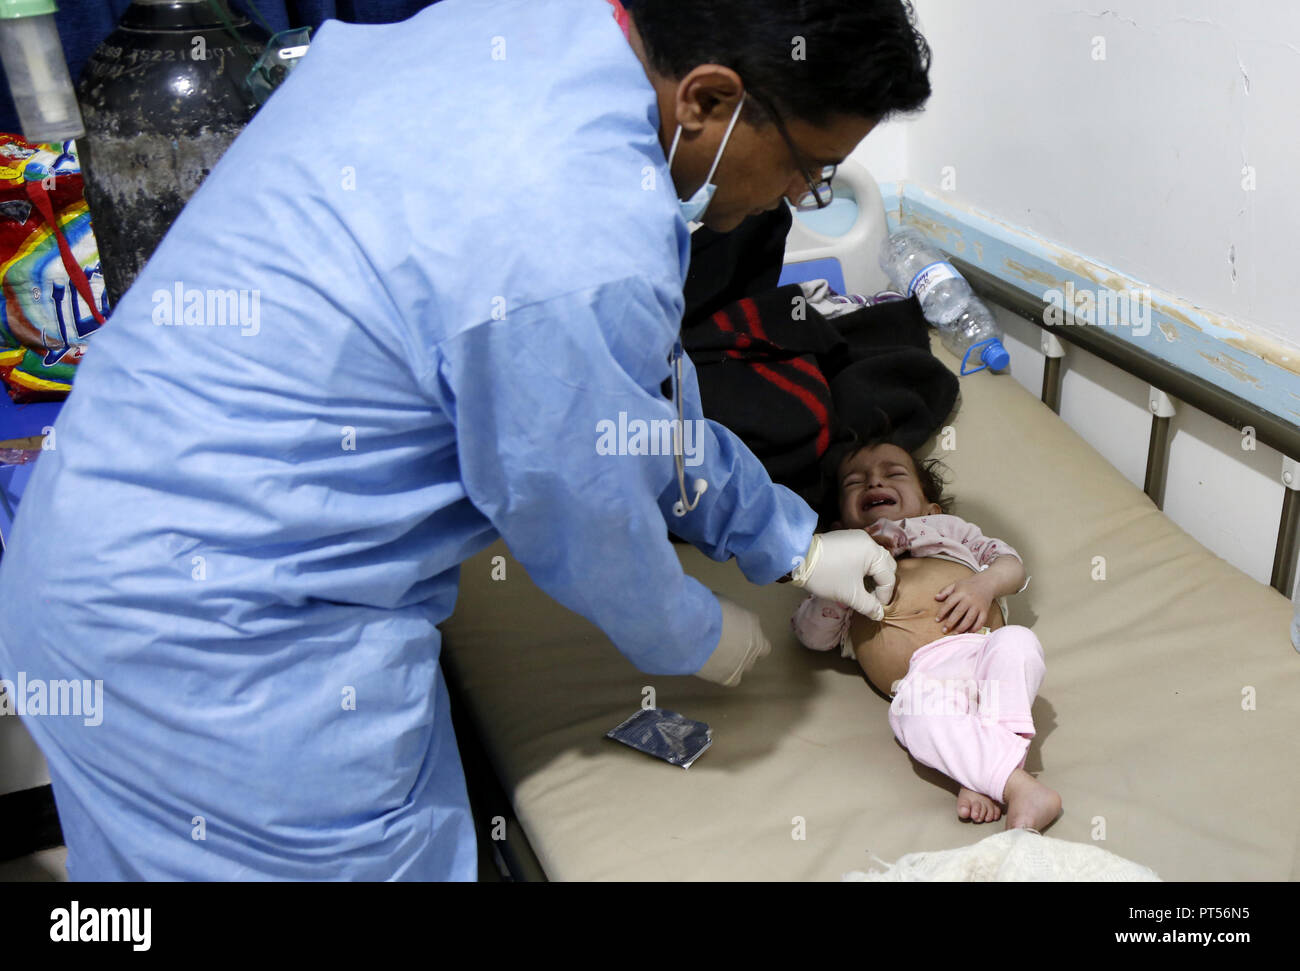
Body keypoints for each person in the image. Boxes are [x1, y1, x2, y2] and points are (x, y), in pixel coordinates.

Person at [0, 0, 932, 879]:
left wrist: (787, 536)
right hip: (224, 663)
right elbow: (586, 513)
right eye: (808, 167)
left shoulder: (525, 34)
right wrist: (701, 632)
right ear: (710, 99)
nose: (801, 195)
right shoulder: (579, 231)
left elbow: (628, 395)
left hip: (81, 569)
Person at [792, 439, 1062, 831]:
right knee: (913, 711)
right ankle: (1016, 784)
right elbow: (812, 636)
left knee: (1019, 643)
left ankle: (980, 774)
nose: (873, 482)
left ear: (930, 507)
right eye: (855, 482)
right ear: (837, 526)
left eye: (893, 473)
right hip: (923, 682)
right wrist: (837, 576)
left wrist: (984, 586)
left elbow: (1011, 566)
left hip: (985, 650)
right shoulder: (844, 567)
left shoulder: (948, 530)